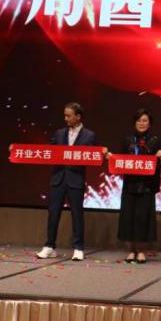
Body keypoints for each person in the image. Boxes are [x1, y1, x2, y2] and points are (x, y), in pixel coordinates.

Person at [35, 102, 99, 261]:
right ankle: (49, 246)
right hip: (58, 178)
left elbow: (93, 155)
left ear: (78, 116)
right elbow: (48, 150)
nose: (65, 118)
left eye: (68, 115)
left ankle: (78, 248)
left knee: (77, 214)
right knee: (53, 213)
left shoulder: (89, 135)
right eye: (65, 115)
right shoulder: (59, 133)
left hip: (75, 179)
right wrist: (18, 151)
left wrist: (102, 151)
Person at [117, 108, 161, 264]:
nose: (141, 123)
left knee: (143, 218)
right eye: (138, 120)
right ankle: (131, 250)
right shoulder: (127, 140)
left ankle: (142, 250)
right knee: (128, 217)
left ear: (150, 124)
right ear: (134, 123)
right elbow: (120, 160)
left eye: (144, 121)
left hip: (147, 185)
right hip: (130, 184)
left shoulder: (155, 140)